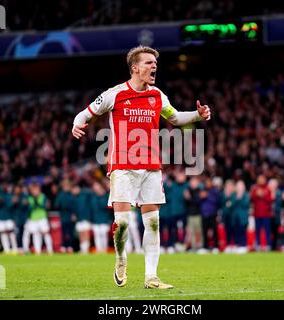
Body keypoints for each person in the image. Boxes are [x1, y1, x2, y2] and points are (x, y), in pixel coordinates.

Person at [71, 46, 211, 289]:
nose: (153, 66)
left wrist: (198, 116)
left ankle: (151, 277)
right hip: (122, 165)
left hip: (150, 165)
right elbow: (85, 114)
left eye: (154, 62)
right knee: (123, 222)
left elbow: (175, 118)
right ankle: (121, 258)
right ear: (135, 68)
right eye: (148, 62)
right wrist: (76, 124)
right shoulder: (114, 94)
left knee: (153, 221)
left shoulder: (157, 95)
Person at [26, 182, 53, 255]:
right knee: (36, 234)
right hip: (33, 218)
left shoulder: (43, 196)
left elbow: (44, 206)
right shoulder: (29, 198)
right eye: (33, 190)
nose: (35, 191)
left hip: (42, 217)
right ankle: (38, 251)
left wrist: (37, 203)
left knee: (46, 233)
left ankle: (50, 250)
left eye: (36, 190)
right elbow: (29, 208)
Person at [250, 175, 274, 251]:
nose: (261, 181)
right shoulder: (255, 189)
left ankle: (268, 245)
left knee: (267, 231)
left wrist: (263, 195)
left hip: (266, 214)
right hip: (257, 214)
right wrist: (256, 195)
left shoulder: (268, 189)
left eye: (262, 179)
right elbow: (252, 199)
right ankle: (258, 245)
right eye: (259, 179)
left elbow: (270, 200)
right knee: (257, 231)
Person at [200, 177, 220, 253]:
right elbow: (198, 201)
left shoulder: (215, 191)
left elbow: (217, 201)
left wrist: (207, 196)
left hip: (213, 214)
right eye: (206, 182)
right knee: (204, 231)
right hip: (204, 214)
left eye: (209, 182)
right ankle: (205, 247)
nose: (208, 184)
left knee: (215, 231)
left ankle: (216, 247)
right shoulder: (202, 191)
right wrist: (200, 197)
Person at [90, 182, 112, 253]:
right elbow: (92, 209)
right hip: (95, 220)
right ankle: (99, 250)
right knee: (97, 235)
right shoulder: (93, 197)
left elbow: (105, 206)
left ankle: (105, 249)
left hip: (104, 219)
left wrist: (102, 196)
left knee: (103, 234)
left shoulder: (106, 196)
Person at [55, 180, 75, 253]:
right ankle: (63, 246)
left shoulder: (71, 194)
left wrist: (74, 214)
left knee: (70, 233)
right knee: (63, 233)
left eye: (67, 186)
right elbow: (57, 205)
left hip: (70, 216)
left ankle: (70, 246)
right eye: (65, 186)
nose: (66, 187)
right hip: (63, 216)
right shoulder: (61, 195)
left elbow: (74, 205)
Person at [184, 177, 203, 252]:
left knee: (199, 231)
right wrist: (188, 199)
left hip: (198, 214)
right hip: (190, 215)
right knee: (191, 233)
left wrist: (189, 198)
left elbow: (198, 202)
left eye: (195, 182)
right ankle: (193, 247)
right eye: (192, 182)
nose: (193, 184)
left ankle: (200, 247)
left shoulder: (199, 191)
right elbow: (186, 203)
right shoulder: (187, 190)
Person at [231, 180, 250, 254]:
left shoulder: (246, 195)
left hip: (243, 217)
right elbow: (232, 204)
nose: (239, 188)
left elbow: (245, 204)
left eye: (241, 186)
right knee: (236, 231)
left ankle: (243, 245)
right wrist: (237, 198)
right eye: (238, 186)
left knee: (242, 231)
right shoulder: (233, 195)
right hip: (235, 217)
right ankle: (237, 245)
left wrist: (239, 198)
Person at [72, 185, 92, 254]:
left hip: (86, 218)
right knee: (81, 235)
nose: (74, 191)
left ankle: (86, 250)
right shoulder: (74, 198)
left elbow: (90, 193)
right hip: (79, 219)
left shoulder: (85, 195)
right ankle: (83, 249)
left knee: (86, 234)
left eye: (75, 189)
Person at [220, 180, 235, 252]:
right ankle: (228, 245)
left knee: (235, 231)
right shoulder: (223, 195)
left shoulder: (235, 195)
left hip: (234, 216)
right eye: (228, 186)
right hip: (226, 216)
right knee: (227, 231)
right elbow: (221, 204)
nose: (229, 187)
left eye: (231, 186)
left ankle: (235, 246)